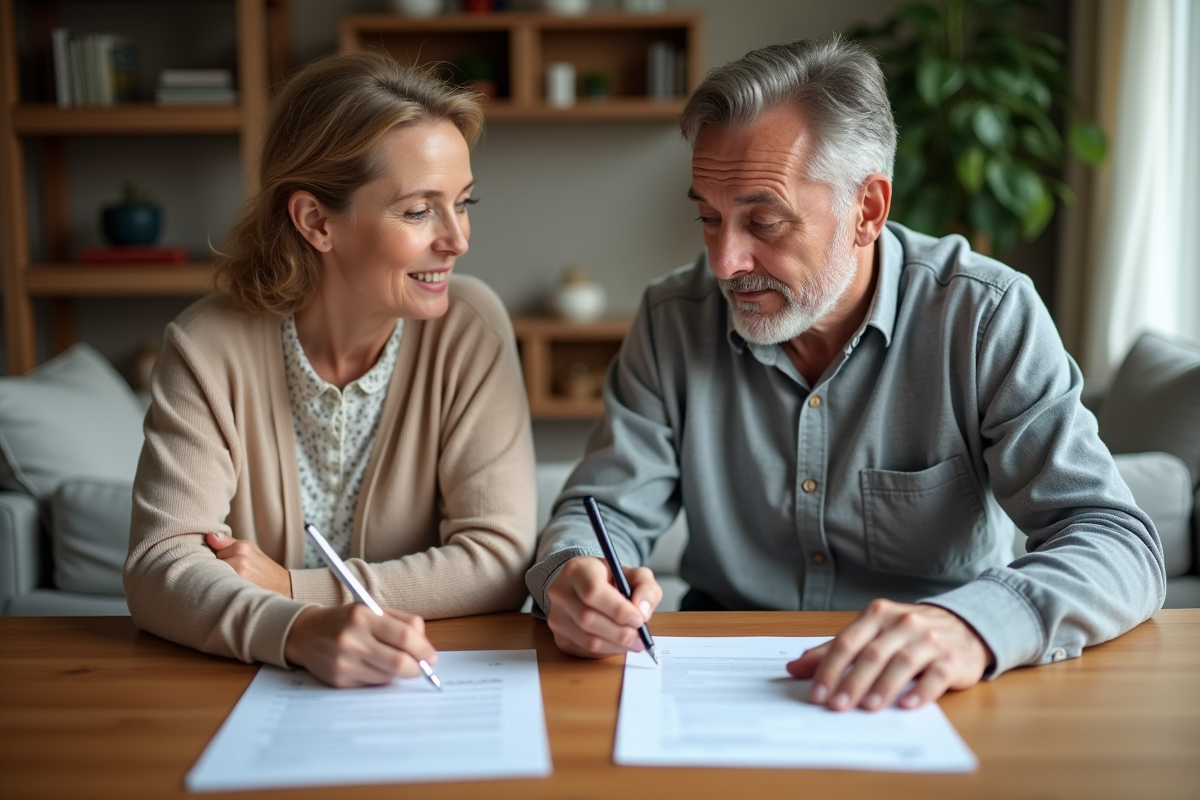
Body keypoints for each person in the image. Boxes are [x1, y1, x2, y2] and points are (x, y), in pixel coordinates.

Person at [527, 37, 1165, 711]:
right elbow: (602, 511)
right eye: (708, 218)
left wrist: (973, 626)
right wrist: (575, 572)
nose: (723, 261)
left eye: (763, 222)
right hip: (721, 684)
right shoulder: (672, 317)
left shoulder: (983, 316)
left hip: (934, 684)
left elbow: (1115, 540)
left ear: (867, 210)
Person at [124, 50, 536, 688]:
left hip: (424, 685)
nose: (458, 238)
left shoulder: (471, 329)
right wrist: (296, 632)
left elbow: (500, 560)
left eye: (464, 201)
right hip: (242, 692)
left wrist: (296, 588)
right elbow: (160, 566)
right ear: (316, 221)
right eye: (419, 210)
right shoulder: (207, 346)